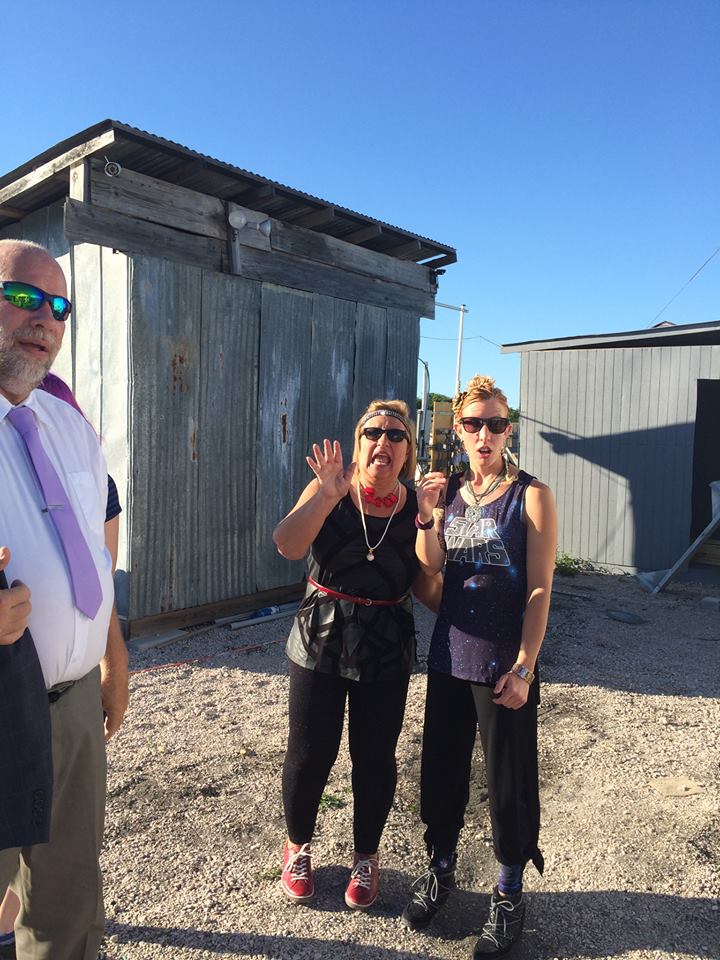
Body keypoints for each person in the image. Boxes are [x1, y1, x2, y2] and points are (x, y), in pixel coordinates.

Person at [0, 240, 128, 960]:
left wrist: (113, 659)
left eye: (59, 307)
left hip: (74, 702)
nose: (44, 319)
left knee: (68, 903)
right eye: (23, 296)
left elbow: (94, 561)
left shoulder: (69, 427)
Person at [402, 375, 557, 958]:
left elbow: (539, 589)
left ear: (508, 430)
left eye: (495, 424)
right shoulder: (450, 493)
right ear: (460, 431)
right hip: (450, 655)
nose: (484, 434)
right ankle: (441, 868)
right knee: (442, 773)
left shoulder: (530, 495)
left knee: (508, 783)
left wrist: (525, 666)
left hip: (503, 667)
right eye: (473, 424)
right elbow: (431, 569)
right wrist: (425, 516)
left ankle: (509, 892)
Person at [273, 399, 431, 910]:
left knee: (375, 756)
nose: (383, 441)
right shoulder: (330, 488)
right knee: (309, 750)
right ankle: (297, 847)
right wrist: (324, 497)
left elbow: (429, 584)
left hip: (386, 643)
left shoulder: (418, 507)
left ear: (408, 451)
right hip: (319, 636)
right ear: (359, 443)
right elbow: (287, 544)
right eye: (373, 433)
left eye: (395, 435)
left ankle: (366, 858)